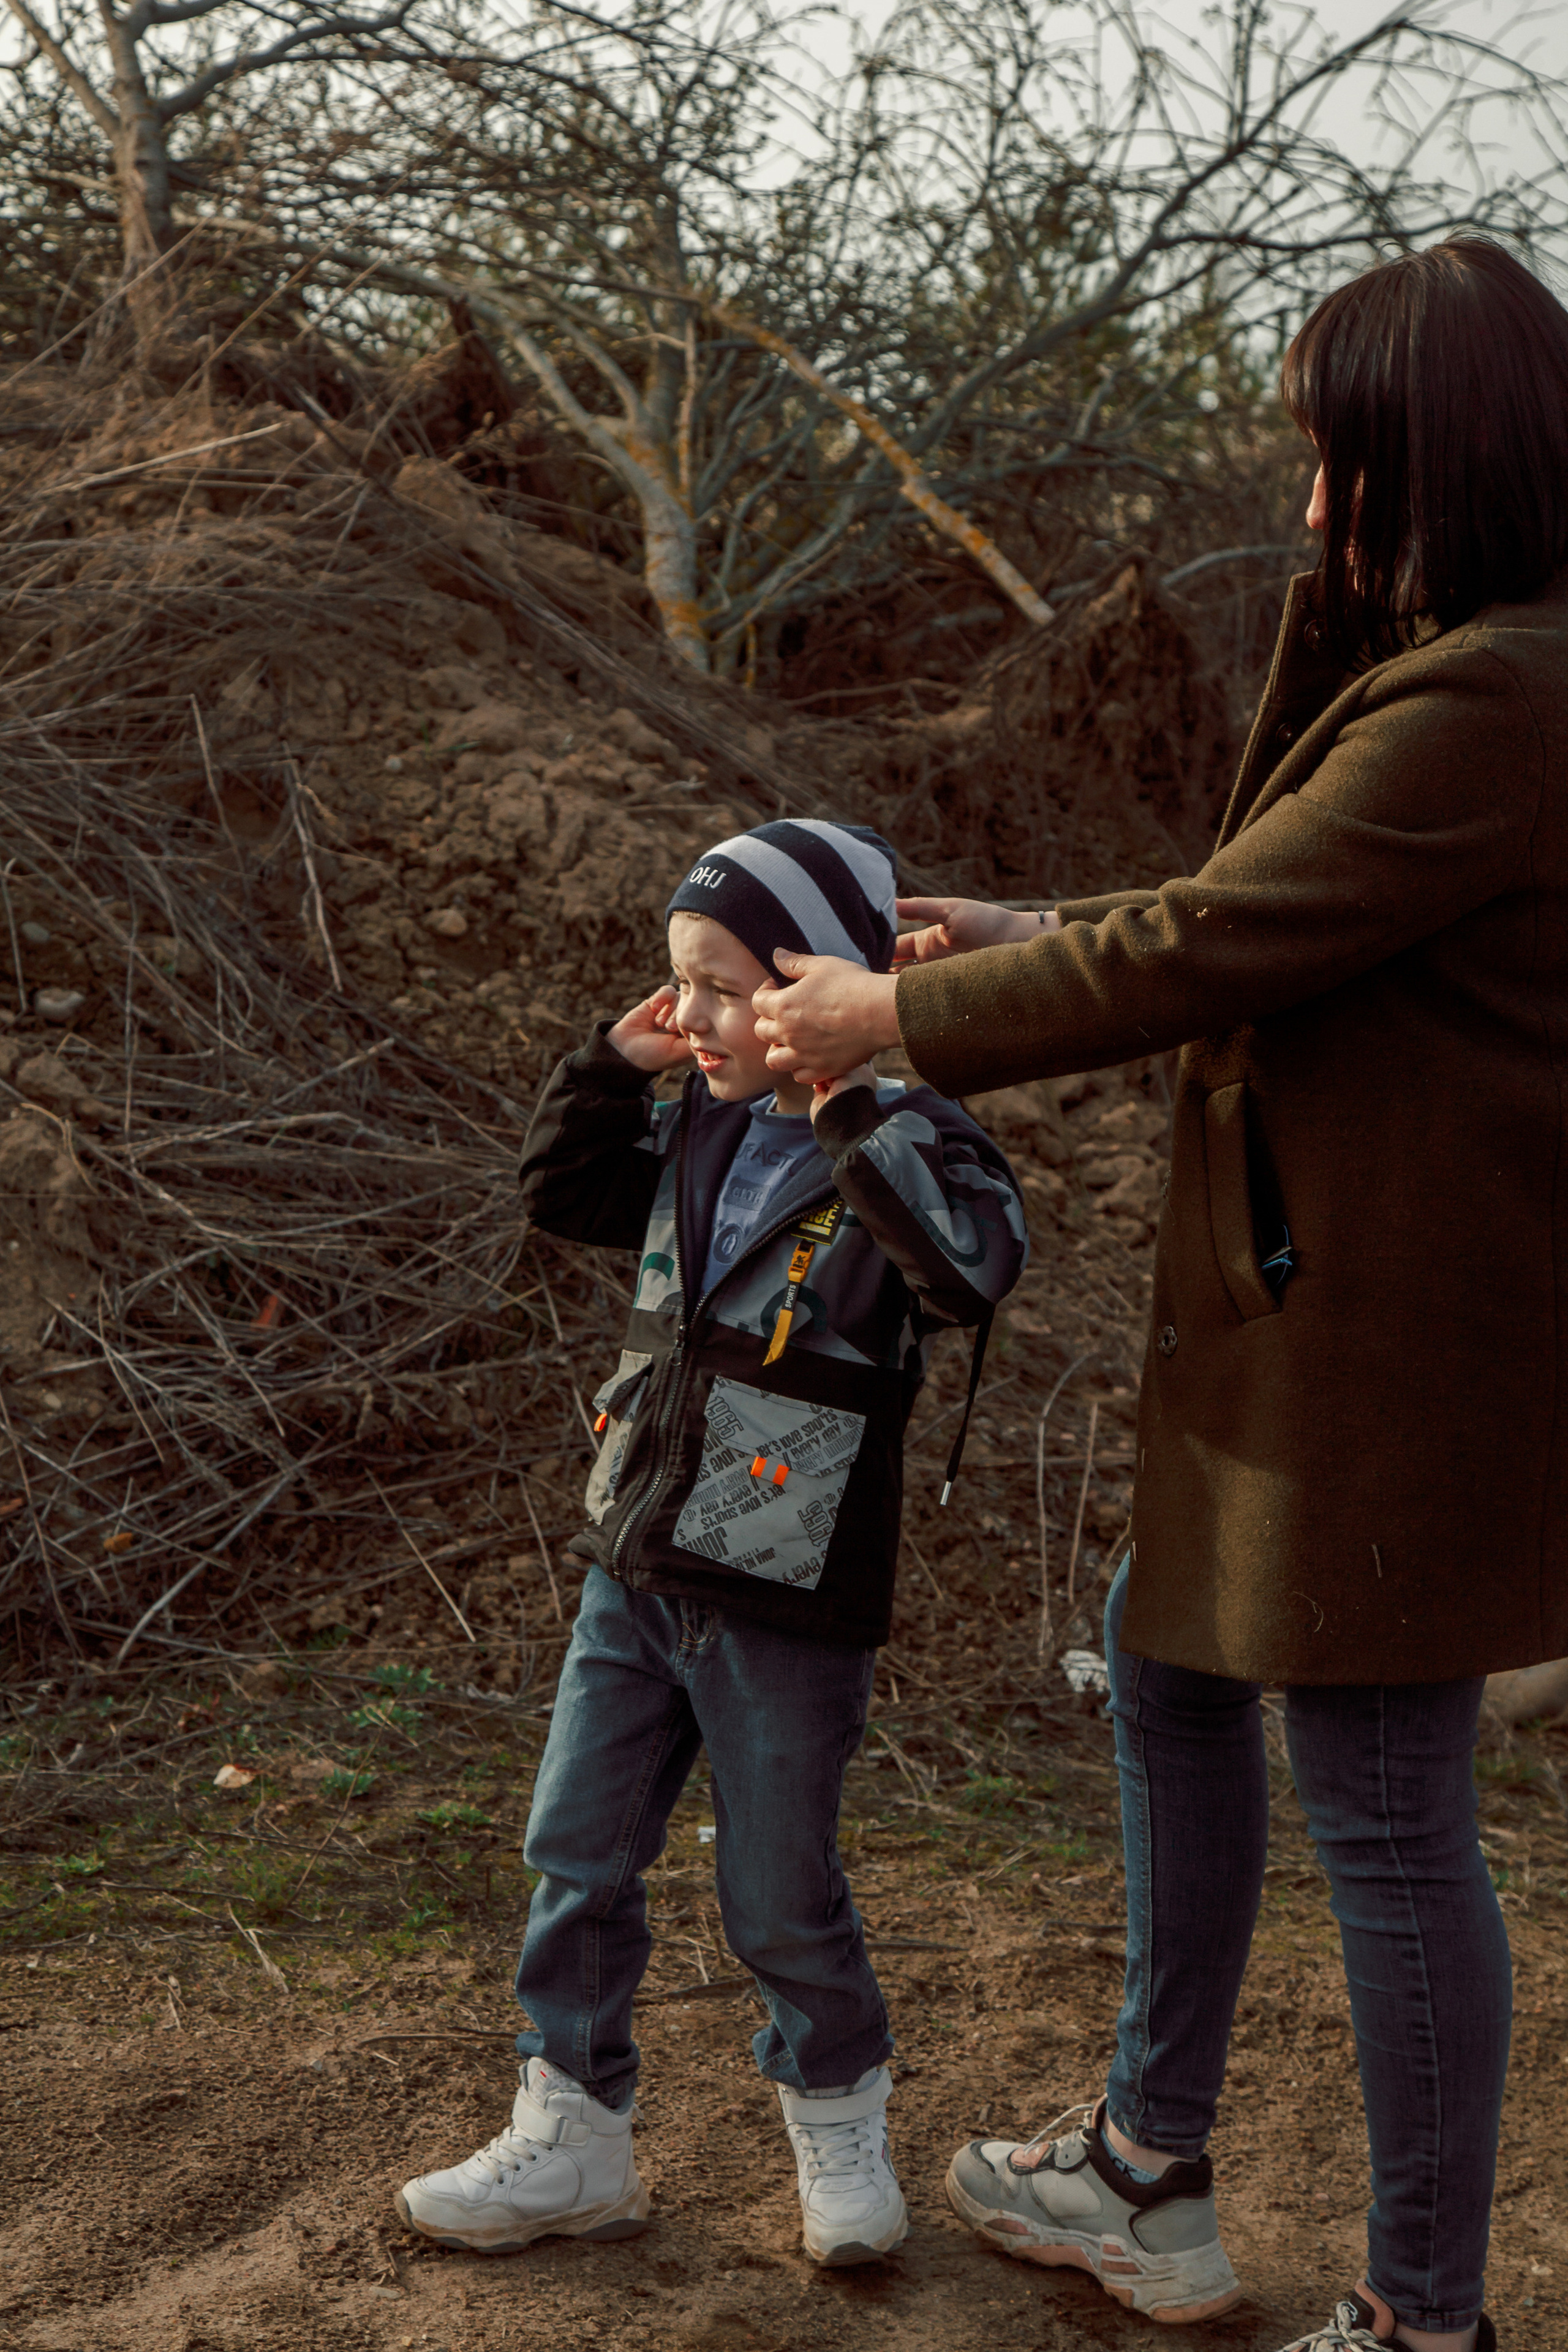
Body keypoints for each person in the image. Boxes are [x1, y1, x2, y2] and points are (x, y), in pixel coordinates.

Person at [752, 235, 1568, 2352]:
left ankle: (1419, 2323)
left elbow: (1212, 951)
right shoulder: (1471, 666)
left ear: (1448, 462)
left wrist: (890, 1022)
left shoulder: (1503, 693)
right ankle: (1149, 2169)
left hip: (1394, 1349)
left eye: (1338, 466)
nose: (1308, 511)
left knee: (1384, 1809)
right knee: (1170, 1660)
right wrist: (1026, 919)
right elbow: (1258, 908)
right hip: (1327, 1325)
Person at [398, 818, 1028, 2267]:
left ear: (823, 982)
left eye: (728, 985)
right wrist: (611, 1070)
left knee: (776, 1887)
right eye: (679, 980)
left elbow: (972, 1267)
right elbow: (560, 1194)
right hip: (635, 1564)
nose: (694, 1015)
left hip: (785, 1593)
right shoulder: (688, 1117)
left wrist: (858, 1094)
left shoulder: (906, 1133)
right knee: (576, 1848)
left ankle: (835, 2124)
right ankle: (573, 2131)